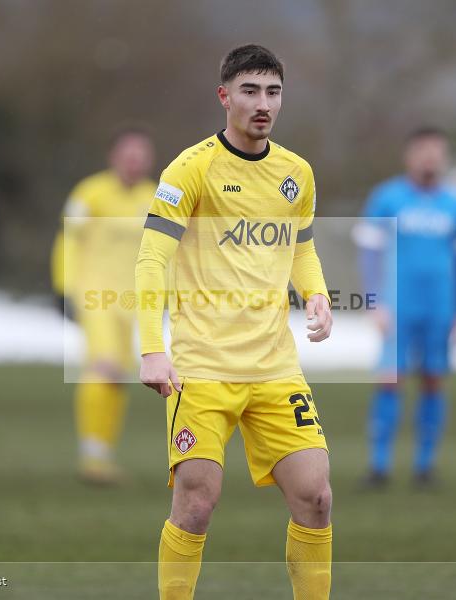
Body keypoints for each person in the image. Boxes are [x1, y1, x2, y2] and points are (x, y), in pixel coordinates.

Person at [135, 44, 334, 600]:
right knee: (196, 504)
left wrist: (316, 294)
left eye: (273, 92)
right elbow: (152, 258)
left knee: (317, 498)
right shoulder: (190, 168)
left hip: (275, 367)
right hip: (201, 369)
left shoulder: (296, 172)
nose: (262, 103)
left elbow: (301, 247)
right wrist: (152, 348)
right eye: (250, 91)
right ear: (225, 96)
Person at [353, 126, 456, 488]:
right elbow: (369, 253)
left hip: (440, 307)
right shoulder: (387, 198)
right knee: (389, 379)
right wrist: (373, 300)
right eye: (424, 151)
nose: (430, 158)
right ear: (409, 156)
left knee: (433, 380)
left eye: (437, 152)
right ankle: (379, 466)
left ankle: (425, 467)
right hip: (398, 306)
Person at [51, 127, 156, 484]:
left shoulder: (156, 197)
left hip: (132, 303)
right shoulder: (90, 193)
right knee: (104, 366)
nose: (134, 162)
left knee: (119, 376)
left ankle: (102, 455)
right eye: (128, 154)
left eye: (141, 156)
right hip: (93, 298)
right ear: (113, 156)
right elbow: (68, 240)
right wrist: (63, 288)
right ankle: (92, 458)